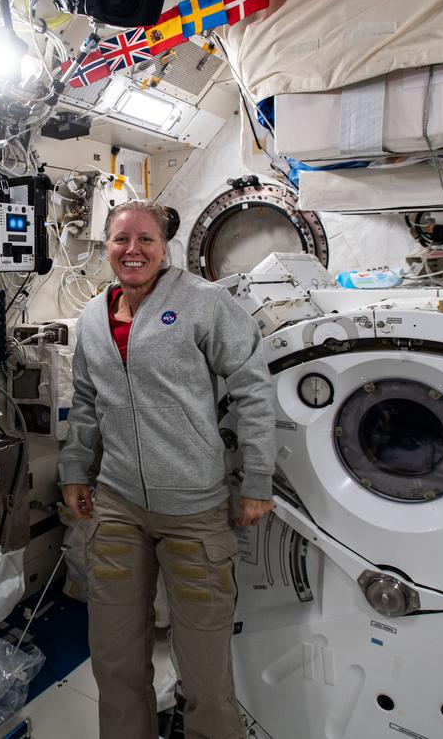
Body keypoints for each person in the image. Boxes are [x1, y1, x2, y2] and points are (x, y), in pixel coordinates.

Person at [58, 199, 276, 739]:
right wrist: (74, 470)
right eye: (120, 240)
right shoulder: (92, 317)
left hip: (194, 511)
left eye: (145, 240)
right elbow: (86, 400)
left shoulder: (204, 303)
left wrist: (256, 481)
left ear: (164, 246)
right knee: (115, 660)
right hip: (118, 506)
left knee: (205, 671)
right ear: (105, 247)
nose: (132, 250)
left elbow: (252, 390)